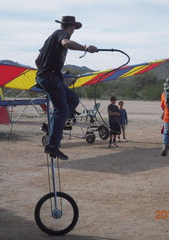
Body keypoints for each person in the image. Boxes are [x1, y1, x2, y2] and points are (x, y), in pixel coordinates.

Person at [35, 16, 98, 160]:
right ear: (72, 27)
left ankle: (50, 126)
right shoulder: (61, 34)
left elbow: (37, 60)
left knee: (72, 98)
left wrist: (43, 73)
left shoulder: (49, 39)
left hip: (48, 77)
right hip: (50, 77)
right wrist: (85, 48)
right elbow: (66, 43)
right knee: (62, 109)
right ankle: (52, 145)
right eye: (74, 28)